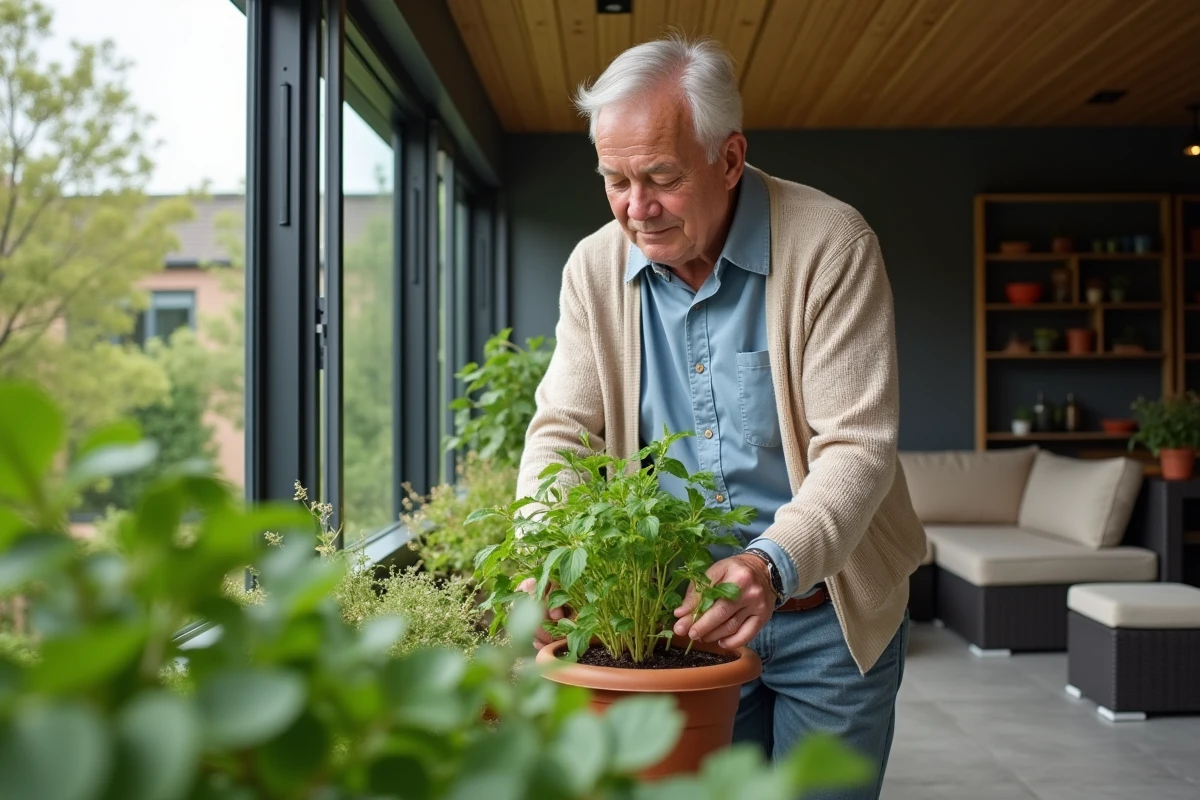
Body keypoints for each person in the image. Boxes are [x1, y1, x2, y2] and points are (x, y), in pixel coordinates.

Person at [516, 34, 927, 799]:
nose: (636, 209)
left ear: (729, 158)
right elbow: (564, 431)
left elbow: (857, 446)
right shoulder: (593, 268)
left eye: (662, 178)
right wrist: (543, 553)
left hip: (826, 611)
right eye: (615, 180)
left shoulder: (832, 243)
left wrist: (769, 565)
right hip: (675, 621)